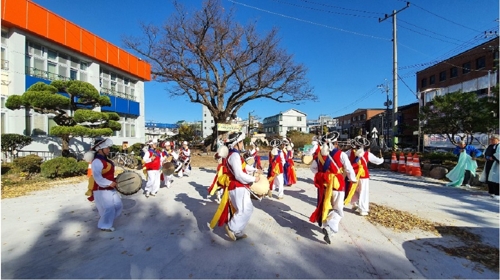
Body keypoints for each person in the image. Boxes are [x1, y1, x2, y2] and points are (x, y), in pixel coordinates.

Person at [209, 132, 260, 241]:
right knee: (244, 210)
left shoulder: (234, 154)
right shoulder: (234, 155)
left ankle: (237, 230)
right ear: (237, 143)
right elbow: (239, 174)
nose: (242, 144)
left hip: (238, 186)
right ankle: (232, 228)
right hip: (237, 186)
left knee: (245, 209)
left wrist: (255, 170)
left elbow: (244, 167)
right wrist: (253, 179)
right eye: (241, 142)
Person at [310, 137, 357, 244]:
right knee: (338, 209)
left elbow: (312, 168)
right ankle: (330, 228)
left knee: (326, 206)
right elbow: (349, 169)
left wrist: (322, 175)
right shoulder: (341, 154)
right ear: (336, 143)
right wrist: (353, 179)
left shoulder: (319, 156)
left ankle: (327, 228)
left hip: (325, 185)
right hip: (337, 185)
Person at [86, 138, 123, 232]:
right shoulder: (97, 161)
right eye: (107, 148)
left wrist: (114, 180)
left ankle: (105, 220)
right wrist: (109, 182)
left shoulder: (105, 160)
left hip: (110, 188)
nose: (108, 150)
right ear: (100, 149)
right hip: (101, 189)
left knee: (118, 205)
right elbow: (97, 177)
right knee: (109, 208)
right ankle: (104, 225)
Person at [347, 136, 384, 216]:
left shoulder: (350, 152)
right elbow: (378, 161)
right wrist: (382, 159)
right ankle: (363, 210)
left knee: (353, 190)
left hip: (354, 175)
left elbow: (342, 158)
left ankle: (354, 203)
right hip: (363, 176)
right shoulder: (367, 154)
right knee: (363, 192)